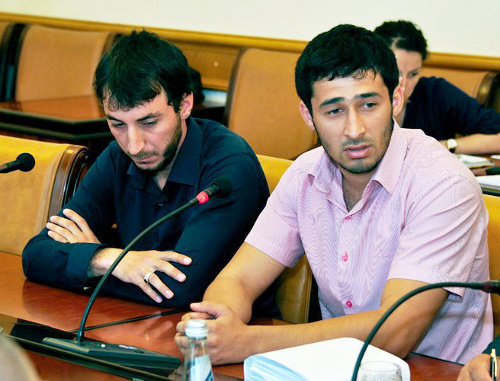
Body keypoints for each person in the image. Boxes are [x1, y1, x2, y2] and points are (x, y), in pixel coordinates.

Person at [175, 24, 492, 366]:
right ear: (308, 115)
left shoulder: (443, 183)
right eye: (334, 111)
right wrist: (219, 322)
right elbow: (238, 278)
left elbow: (395, 332)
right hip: (333, 367)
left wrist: (249, 342)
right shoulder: (304, 174)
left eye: (369, 104)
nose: (355, 130)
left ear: (396, 99)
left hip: (434, 373)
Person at [22, 30, 270, 309]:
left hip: (218, 335)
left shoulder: (229, 166)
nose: (134, 145)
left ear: (184, 105)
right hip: (129, 322)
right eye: (118, 125)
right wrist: (111, 260)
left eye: (149, 123)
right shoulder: (118, 157)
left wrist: (87, 260)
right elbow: (36, 255)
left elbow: (178, 287)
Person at [374, 20, 500, 155]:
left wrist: (443, 146)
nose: (403, 84)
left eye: (413, 74)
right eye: (396, 72)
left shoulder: (435, 92)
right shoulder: (360, 100)